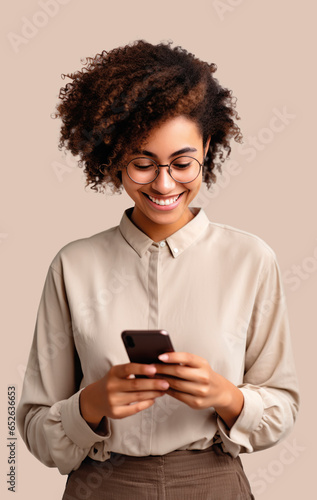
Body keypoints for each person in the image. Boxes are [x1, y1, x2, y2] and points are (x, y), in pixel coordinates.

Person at [17, 40, 299, 499]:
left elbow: (283, 407)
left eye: (183, 163)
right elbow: (31, 424)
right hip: (103, 485)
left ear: (207, 146)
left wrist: (227, 397)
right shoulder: (73, 265)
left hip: (214, 483)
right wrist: (91, 405)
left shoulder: (251, 260)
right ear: (113, 160)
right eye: (142, 164)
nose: (164, 183)